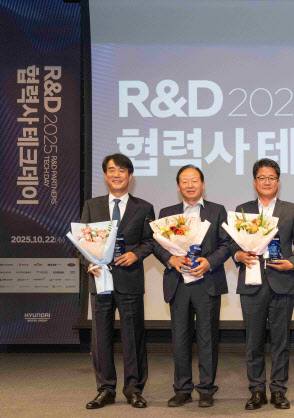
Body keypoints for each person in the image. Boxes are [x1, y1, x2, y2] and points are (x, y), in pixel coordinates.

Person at [231, 158, 294, 410]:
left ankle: (278, 390)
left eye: (271, 178)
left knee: (280, 340)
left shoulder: (291, 209)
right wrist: (237, 254)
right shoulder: (242, 209)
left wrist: (292, 262)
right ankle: (256, 390)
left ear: (278, 181)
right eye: (262, 178)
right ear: (255, 182)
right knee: (253, 340)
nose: (267, 182)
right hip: (251, 281)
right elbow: (231, 242)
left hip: (282, 281)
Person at [153, 165, 231, 408]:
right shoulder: (167, 213)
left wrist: (209, 262)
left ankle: (206, 389)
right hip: (178, 283)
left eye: (194, 180)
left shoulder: (217, 211)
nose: (190, 185)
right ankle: (182, 388)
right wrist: (170, 259)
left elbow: (226, 244)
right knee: (180, 338)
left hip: (207, 281)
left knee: (208, 338)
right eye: (184, 181)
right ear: (178, 186)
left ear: (203, 184)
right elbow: (156, 244)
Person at [81, 153, 155, 409]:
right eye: (112, 170)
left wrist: (136, 254)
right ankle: (105, 389)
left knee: (133, 337)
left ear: (130, 176)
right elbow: (81, 241)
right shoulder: (92, 206)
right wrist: (89, 263)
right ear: (105, 175)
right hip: (100, 280)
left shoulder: (143, 207)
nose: (116, 175)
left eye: (122, 170)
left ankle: (134, 389)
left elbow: (151, 241)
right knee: (100, 338)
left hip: (129, 279)